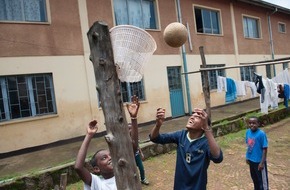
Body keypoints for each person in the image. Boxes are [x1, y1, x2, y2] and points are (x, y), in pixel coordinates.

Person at [74, 96, 140, 190]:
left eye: (110, 155)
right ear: (97, 169)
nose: (110, 158)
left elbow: (133, 148)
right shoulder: (97, 183)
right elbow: (78, 167)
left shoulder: (123, 170)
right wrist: (89, 135)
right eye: (104, 158)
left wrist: (134, 118)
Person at [149, 108, 223, 190]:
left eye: (197, 117)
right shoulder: (181, 135)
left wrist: (207, 128)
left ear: (203, 125)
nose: (191, 117)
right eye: (192, 115)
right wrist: (157, 125)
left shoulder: (206, 143)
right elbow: (155, 138)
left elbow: (218, 158)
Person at [245, 116, 269, 190]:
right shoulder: (248, 132)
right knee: (255, 180)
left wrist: (262, 162)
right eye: (250, 123)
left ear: (258, 124)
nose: (252, 125)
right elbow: (249, 146)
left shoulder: (261, 134)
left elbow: (265, 149)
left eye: (254, 123)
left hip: (259, 162)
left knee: (262, 182)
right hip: (251, 161)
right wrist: (247, 157)